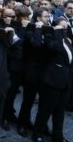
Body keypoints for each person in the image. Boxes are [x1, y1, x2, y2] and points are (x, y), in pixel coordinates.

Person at [33, 18, 73, 142]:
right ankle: (37, 133)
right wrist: (57, 33)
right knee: (45, 110)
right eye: (62, 28)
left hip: (65, 81)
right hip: (51, 81)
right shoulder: (50, 39)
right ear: (55, 28)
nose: (65, 31)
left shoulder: (66, 40)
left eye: (66, 28)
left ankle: (58, 136)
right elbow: (56, 48)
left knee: (60, 111)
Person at [17, 8, 50, 137]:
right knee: (28, 101)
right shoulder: (30, 31)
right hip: (31, 72)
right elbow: (36, 45)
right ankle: (22, 123)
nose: (48, 18)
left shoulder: (48, 29)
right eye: (46, 16)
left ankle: (39, 125)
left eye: (48, 16)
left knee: (44, 101)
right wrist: (38, 29)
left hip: (45, 72)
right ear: (38, 19)